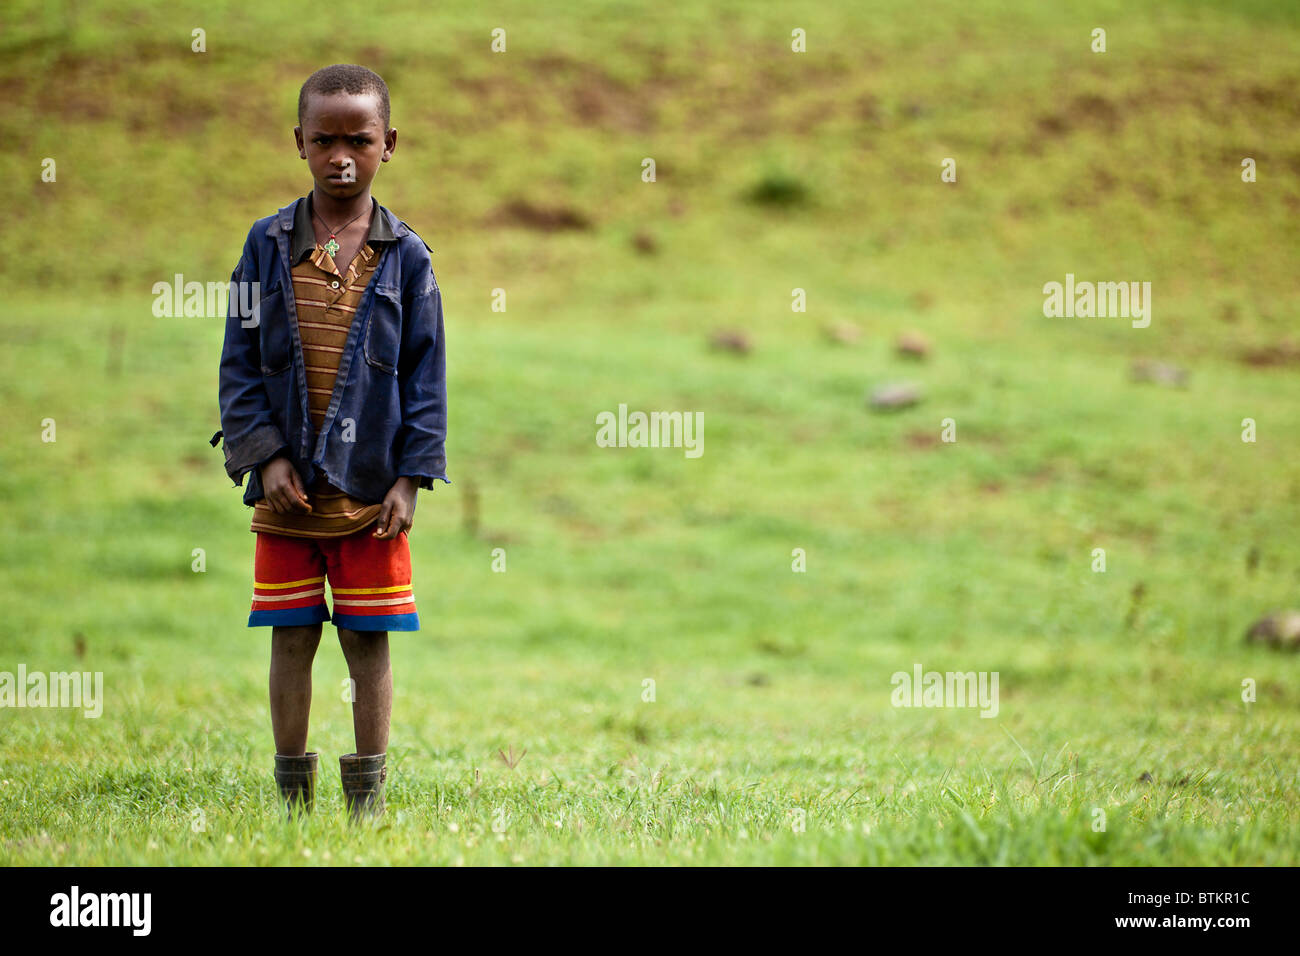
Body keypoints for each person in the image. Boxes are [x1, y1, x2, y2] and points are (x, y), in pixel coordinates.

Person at [212, 63, 449, 822]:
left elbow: (426, 378)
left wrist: (412, 478)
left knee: (369, 638)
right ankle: (291, 797)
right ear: (299, 144)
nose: (342, 155)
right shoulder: (264, 245)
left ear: (390, 144)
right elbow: (239, 359)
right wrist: (264, 453)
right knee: (289, 633)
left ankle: (367, 799)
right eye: (325, 140)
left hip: (371, 492)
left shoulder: (409, 258)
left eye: (361, 139)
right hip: (287, 491)